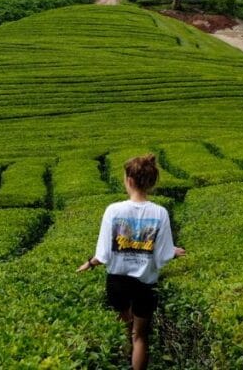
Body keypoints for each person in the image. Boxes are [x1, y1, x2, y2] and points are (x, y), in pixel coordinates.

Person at [77, 154, 185, 370]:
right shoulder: (160, 213)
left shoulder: (113, 210)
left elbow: (105, 253)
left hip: (117, 282)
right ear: (151, 183)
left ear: (128, 180)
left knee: (126, 331)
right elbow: (162, 253)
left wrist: (90, 263)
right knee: (140, 337)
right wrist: (173, 252)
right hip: (144, 284)